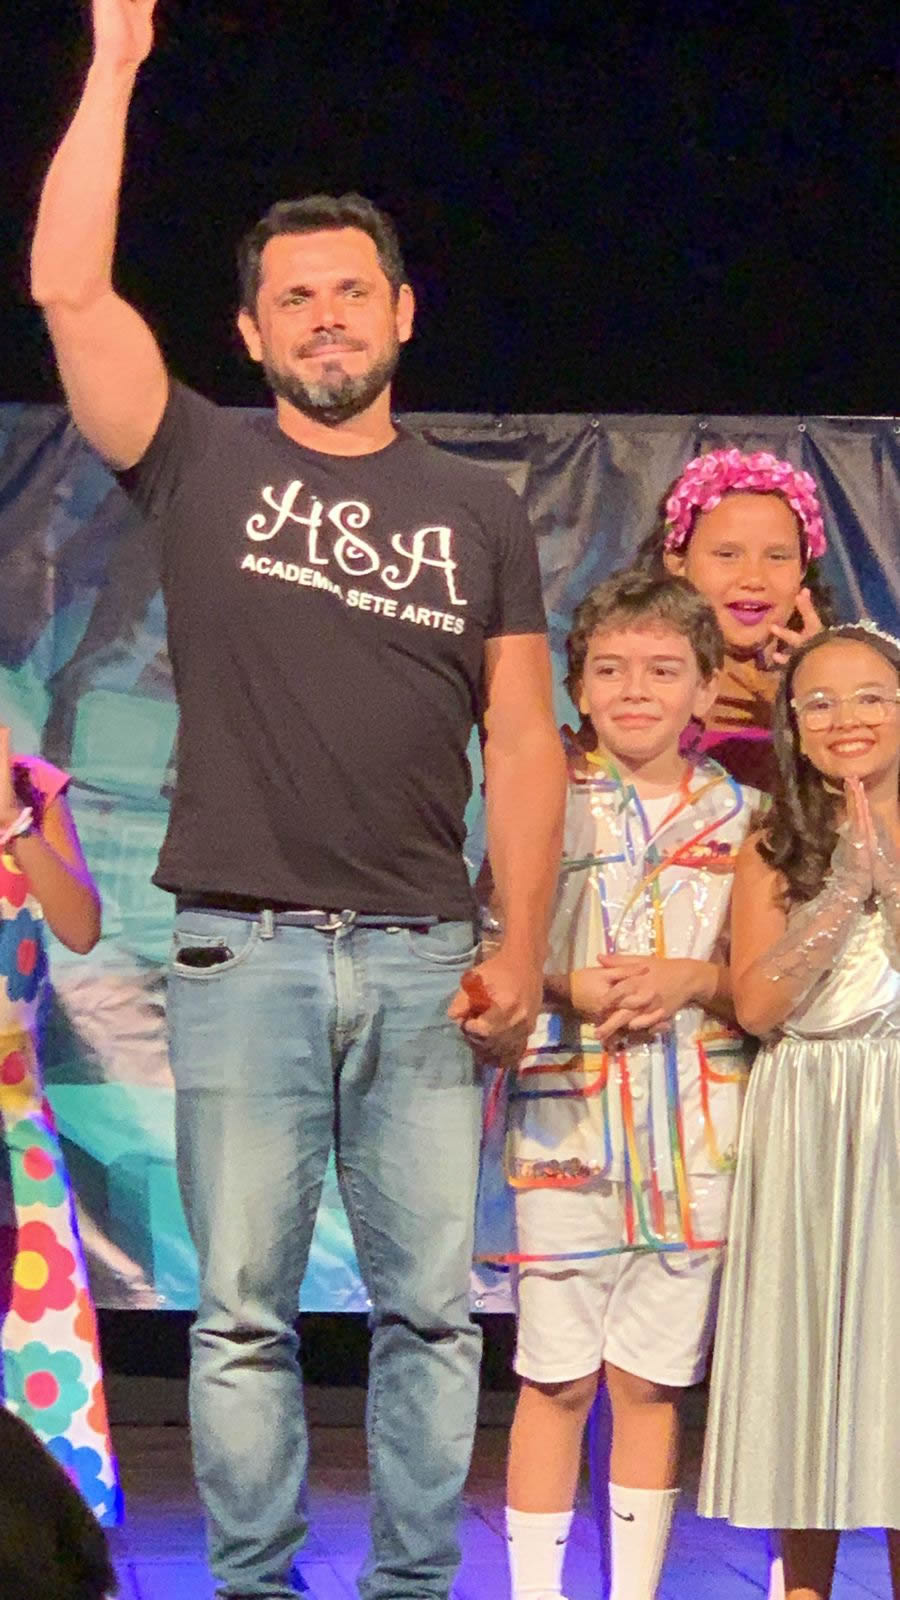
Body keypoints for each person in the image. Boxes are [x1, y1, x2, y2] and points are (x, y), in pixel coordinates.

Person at [30, 3, 566, 1598]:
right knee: (244, 1314)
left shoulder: (477, 509)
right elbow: (68, 290)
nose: (325, 318)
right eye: (293, 299)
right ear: (252, 335)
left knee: (432, 1313)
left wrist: (522, 943)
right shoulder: (200, 463)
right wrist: (115, 67)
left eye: (350, 291)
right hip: (239, 952)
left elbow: (523, 739)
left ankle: (411, 1587)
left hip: (423, 956)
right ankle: (257, 1588)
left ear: (401, 311)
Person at [501, 572, 759, 1600]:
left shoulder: (747, 818)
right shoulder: (542, 803)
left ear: (707, 688)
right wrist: (563, 983)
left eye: (663, 670)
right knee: (555, 1377)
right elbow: (493, 946)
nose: (636, 690)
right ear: (578, 687)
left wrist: (695, 979)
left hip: (695, 1139)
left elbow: (765, 979)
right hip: (567, 1129)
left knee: (650, 1383)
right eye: (610, 669)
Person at [699, 621, 900, 1600]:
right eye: (818, 702)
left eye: (870, 697)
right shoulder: (772, 845)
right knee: (807, 1361)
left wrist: (888, 873)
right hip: (809, 1111)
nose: (845, 718)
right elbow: (758, 1004)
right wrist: (840, 891)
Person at [0, 727, 120, 1527]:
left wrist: (13, 823)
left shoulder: (32, 788)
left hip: (13, 1108)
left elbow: (79, 925)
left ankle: (36, 1525)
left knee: (31, 1317)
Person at [634, 446, 836, 791]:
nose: (753, 578)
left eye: (778, 556)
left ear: (803, 570)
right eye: (727, 554)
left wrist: (821, 691)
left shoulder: (851, 683)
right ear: (678, 561)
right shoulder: (633, 678)